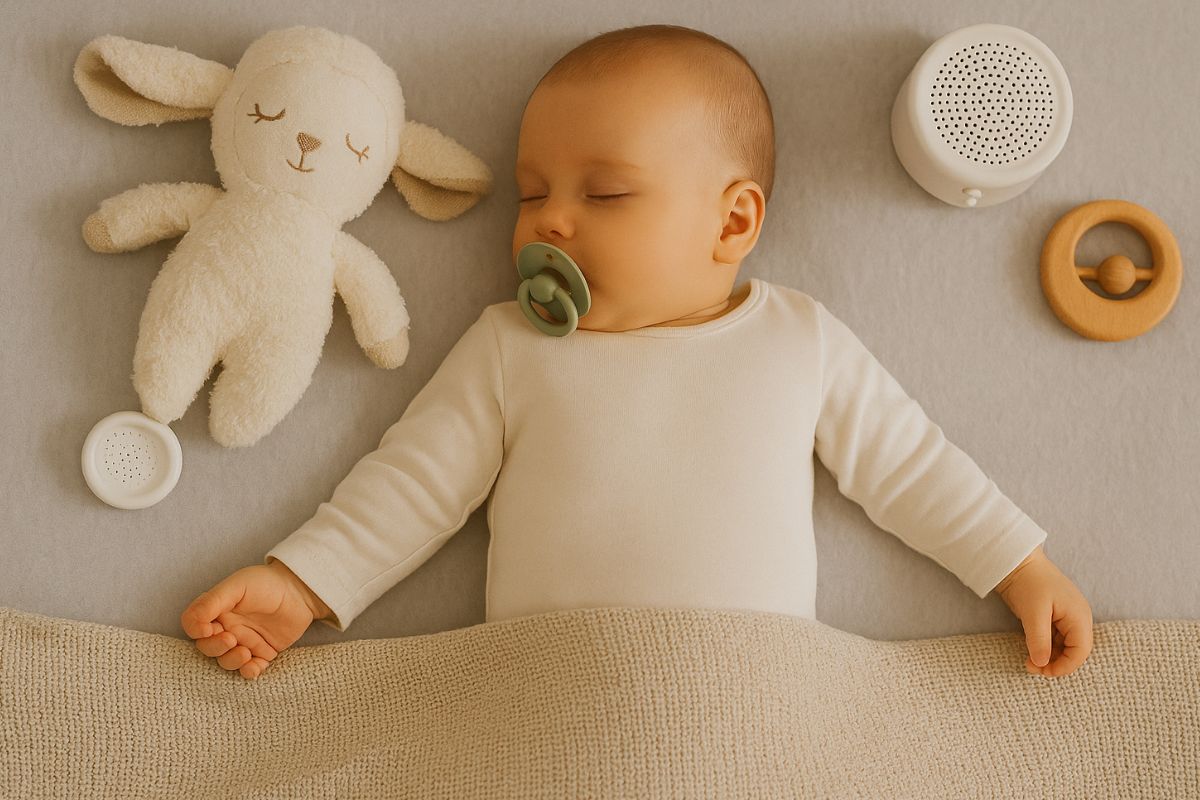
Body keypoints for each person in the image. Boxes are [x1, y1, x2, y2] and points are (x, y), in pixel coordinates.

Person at [180, 24, 1093, 681]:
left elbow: (913, 468)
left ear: (732, 220)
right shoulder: (512, 347)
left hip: (752, 690)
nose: (550, 221)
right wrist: (303, 581)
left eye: (607, 194)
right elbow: (412, 485)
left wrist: (1019, 567)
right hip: (556, 690)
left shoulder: (797, 340)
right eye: (531, 195)